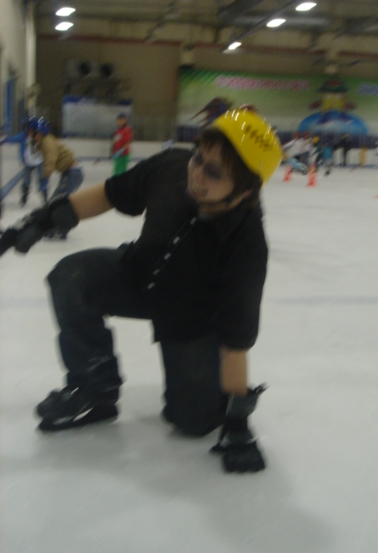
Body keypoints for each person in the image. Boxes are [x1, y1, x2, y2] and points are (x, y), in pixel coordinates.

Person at [0, 107, 283, 474]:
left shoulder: (247, 242)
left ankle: (207, 380)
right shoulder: (171, 167)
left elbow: (236, 337)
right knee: (71, 277)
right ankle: (94, 390)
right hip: (139, 275)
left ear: (244, 191)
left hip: (191, 317)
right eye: (198, 158)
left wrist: (237, 421)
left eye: (214, 173)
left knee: (193, 421)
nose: (197, 174)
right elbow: (110, 193)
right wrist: (43, 219)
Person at [32, 117, 84, 238]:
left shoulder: (47, 142)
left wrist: (45, 177)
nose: (32, 136)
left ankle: (61, 228)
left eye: (33, 133)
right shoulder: (44, 142)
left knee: (58, 202)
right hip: (70, 173)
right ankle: (58, 227)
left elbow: (51, 160)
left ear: (40, 132)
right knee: (58, 201)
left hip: (73, 173)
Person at [1, 117, 48, 206]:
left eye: (31, 130)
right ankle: (24, 196)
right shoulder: (23, 136)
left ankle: (45, 196)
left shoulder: (40, 137)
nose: (30, 132)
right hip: (28, 163)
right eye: (29, 130)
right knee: (26, 181)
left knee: (42, 179)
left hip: (39, 162)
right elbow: (13, 139)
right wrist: (4, 140)